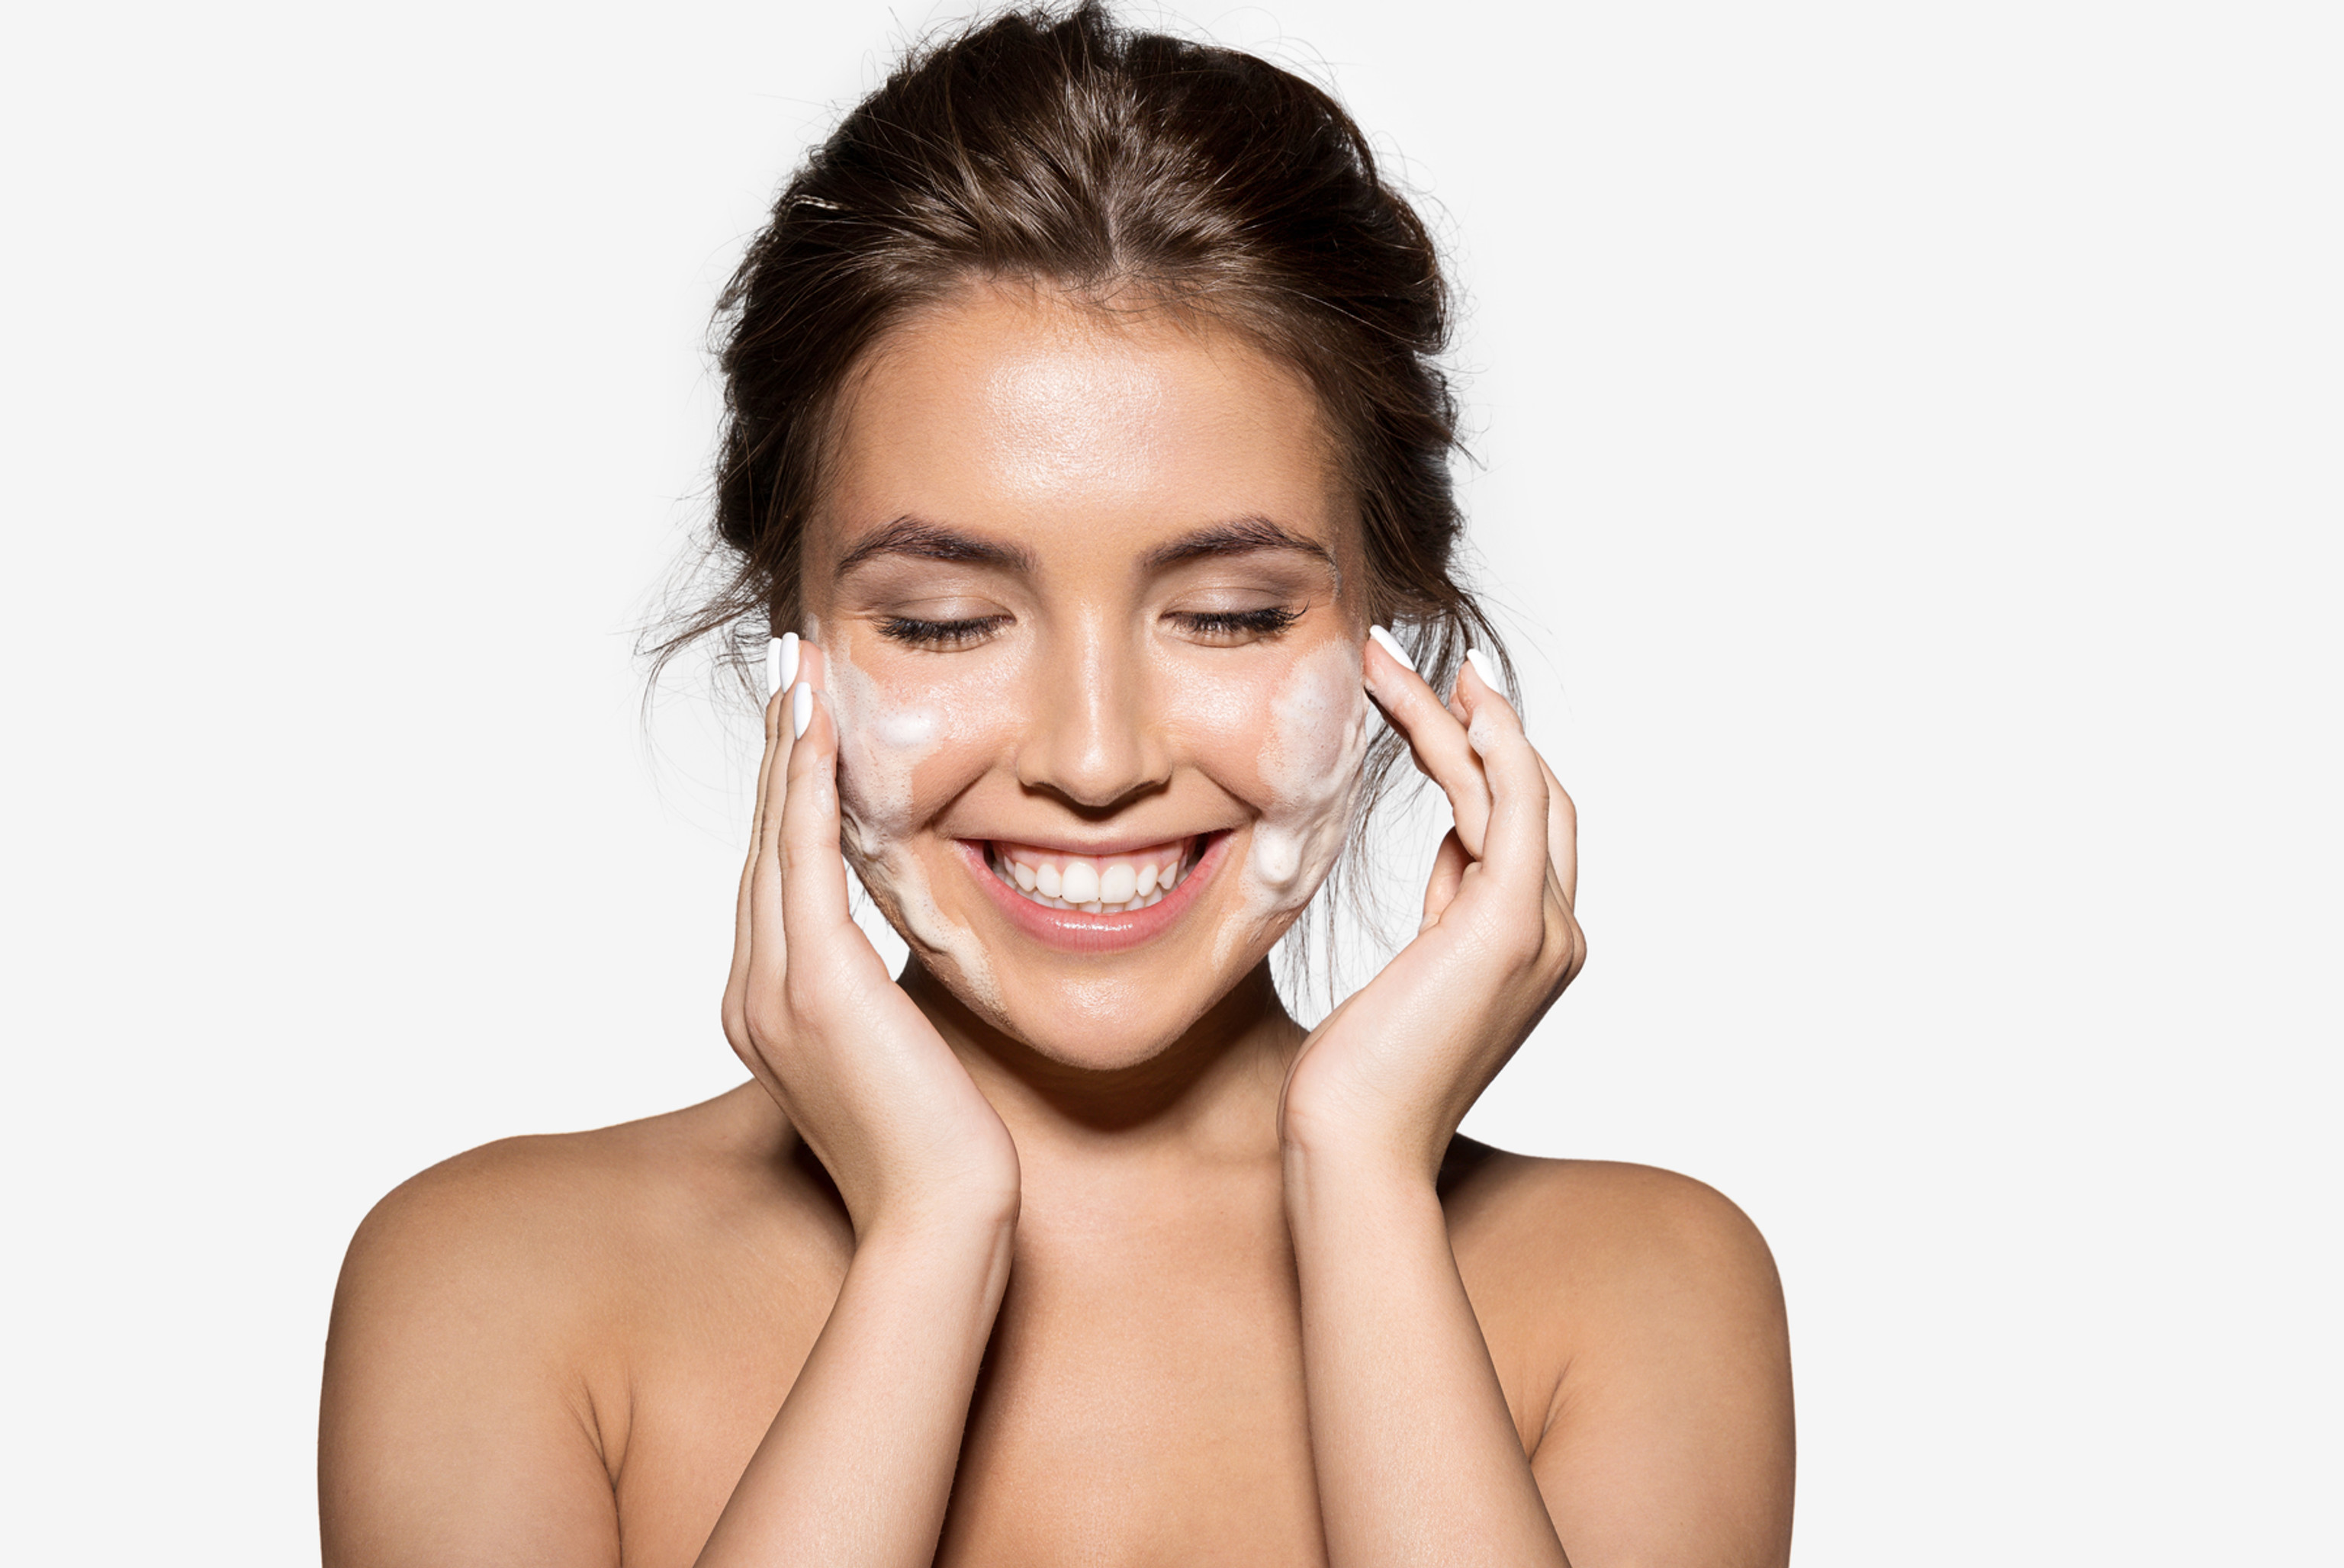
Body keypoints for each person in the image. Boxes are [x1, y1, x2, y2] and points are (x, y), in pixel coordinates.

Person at [317, 6, 1795, 1563]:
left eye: (1226, 613)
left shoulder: (1636, 1286)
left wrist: (1360, 1178)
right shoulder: (500, 1284)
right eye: (944, 621)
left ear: (1392, 637)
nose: (1093, 758)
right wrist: (929, 1236)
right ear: (794, 642)